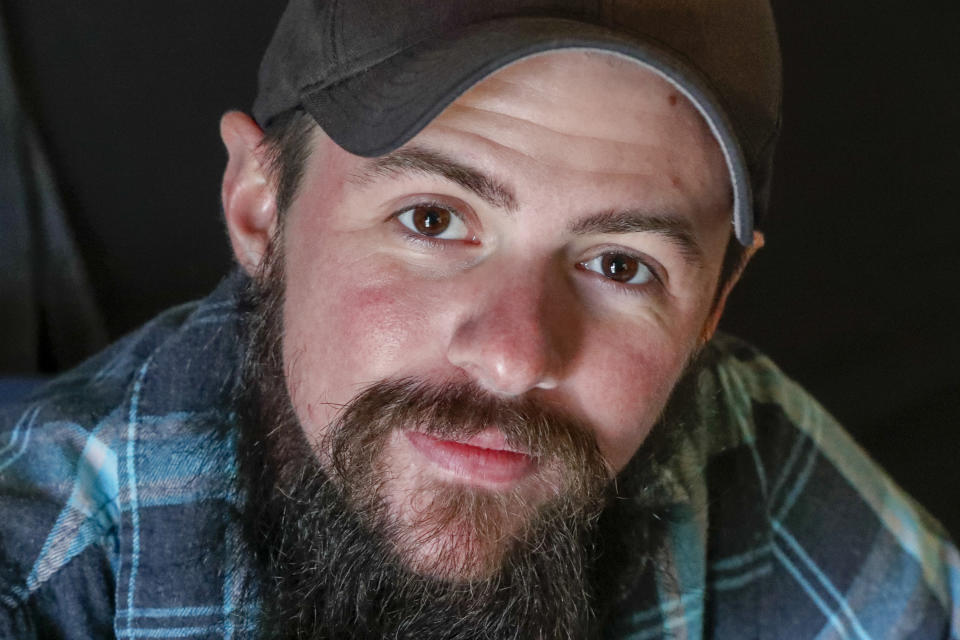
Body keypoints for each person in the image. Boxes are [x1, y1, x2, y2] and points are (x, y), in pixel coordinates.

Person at [0, 0, 957, 638]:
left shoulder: (739, 452)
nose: (513, 357)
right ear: (259, 208)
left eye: (621, 264)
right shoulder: (40, 581)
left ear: (714, 302)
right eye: (434, 219)